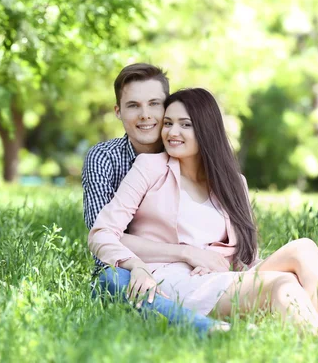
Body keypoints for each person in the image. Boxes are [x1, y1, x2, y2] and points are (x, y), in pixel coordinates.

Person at [88, 88, 318, 332]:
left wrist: (219, 262)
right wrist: (178, 257)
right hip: (174, 281)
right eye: (168, 123)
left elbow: (245, 258)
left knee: (303, 249)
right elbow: (102, 233)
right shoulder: (150, 167)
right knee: (281, 284)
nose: (172, 132)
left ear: (206, 129)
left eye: (185, 124)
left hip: (223, 277)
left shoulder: (234, 183)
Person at [82, 64, 225, 334]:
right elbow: (104, 235)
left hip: (192, 274)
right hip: (126, 269)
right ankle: (205, 328)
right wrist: (177, 255)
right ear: (118, 112)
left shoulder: (187, 154)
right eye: (133, 105)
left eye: (154, 104)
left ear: (166, 107)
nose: (145, 115)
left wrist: (205, 260)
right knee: (113, 280)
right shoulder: (103, 158)